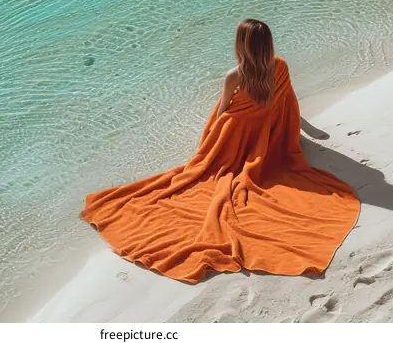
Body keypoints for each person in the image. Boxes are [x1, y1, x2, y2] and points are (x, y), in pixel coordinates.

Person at [81, 19, 359, 283]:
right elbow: (286, 99)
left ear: (242, 45)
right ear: (268, 44)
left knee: (207, 169)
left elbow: (225, 108)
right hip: (267, 130)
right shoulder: (280, 65)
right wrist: (301, 127)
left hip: (236, 133)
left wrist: (211, 137)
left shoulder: (235, 74)